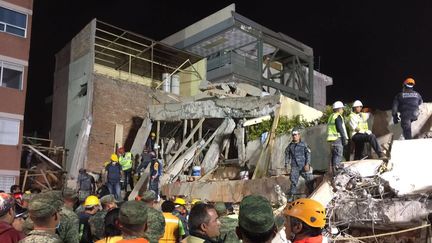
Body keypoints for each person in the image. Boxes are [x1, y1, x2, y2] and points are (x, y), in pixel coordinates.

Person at [285, 129, 314, 200]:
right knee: (293, 182)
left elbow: (308, 154)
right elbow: (287, 155)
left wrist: (307, 164)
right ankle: (292, 197)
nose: (294, 136)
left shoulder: (304, 144)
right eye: (293, 135)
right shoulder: (290, 146)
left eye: (296, 135)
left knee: (309, 180)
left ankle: (312, 194)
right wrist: (286, 164)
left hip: (304, 166)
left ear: (299, 135)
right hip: (295, 166)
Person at [327, 101, 348, 173]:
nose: (342, 110)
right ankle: (336, 173)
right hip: (337, 139)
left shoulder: (331, 117)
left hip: (331, 141)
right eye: (342, 108)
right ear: (338, 109)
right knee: (338, 156)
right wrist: (344, 138)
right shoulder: (337, 116)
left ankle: (333, 173)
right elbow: (340, 128)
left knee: (334, 157)